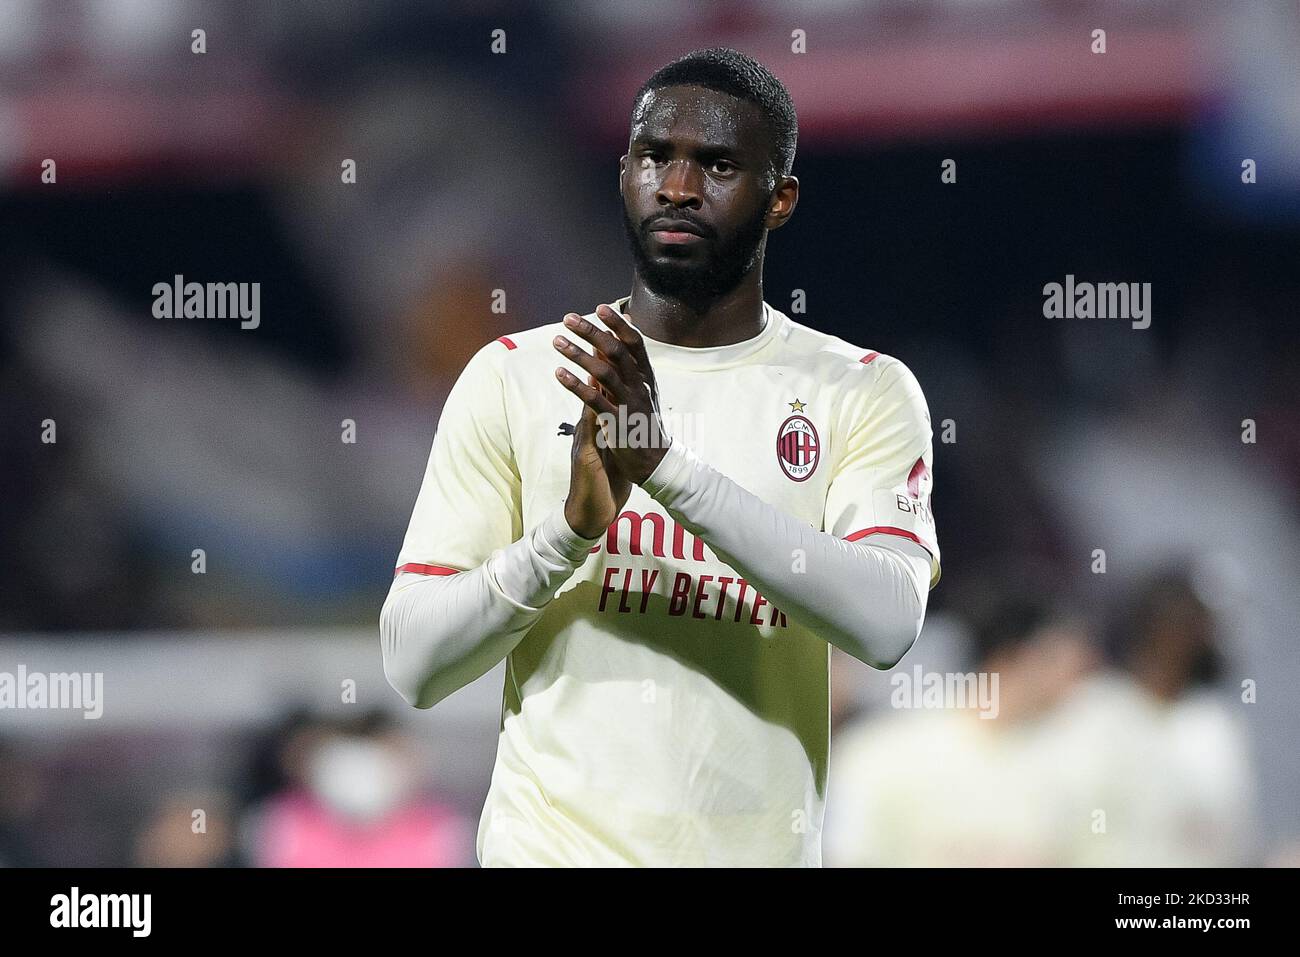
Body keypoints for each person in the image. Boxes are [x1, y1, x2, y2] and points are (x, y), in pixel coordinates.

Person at [379, 47, 940, 866]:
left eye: (716, 164)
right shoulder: (519, 374)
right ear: (622, 175)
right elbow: (414, 664)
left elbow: (887, 622)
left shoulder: (858, 390)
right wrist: (566, 536)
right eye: (655, 157)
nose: (678, 187)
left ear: (779, 199)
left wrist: (666, 470)